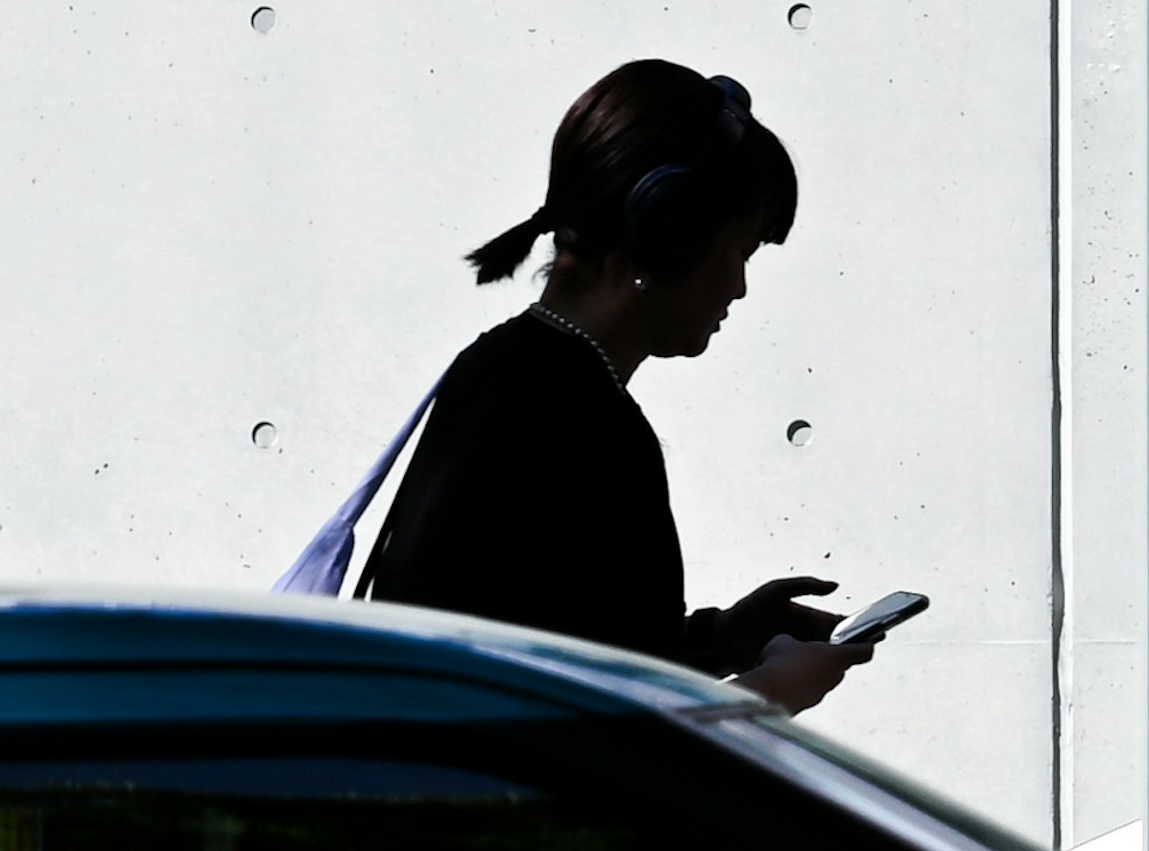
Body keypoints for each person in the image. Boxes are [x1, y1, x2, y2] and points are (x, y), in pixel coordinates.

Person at [354, 61, 880, 716]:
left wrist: (718, 640)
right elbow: (619, 746)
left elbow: (552, 659)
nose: (740, 285)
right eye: (738, 249)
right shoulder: (591, 430)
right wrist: (774, 694)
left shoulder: (497, 368)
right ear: (666, 234)